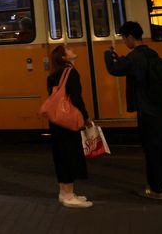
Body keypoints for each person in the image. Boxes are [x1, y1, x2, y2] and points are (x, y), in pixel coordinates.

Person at [105, 21, 162, 200]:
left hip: (147, 110)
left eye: (124, 38)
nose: (124, 41)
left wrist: (108, 54)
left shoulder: (135, 57)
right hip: (161, 108)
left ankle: (156, 189)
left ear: (130, 37)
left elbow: (114, 69)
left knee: (151, 150)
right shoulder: (151, 53)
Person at [47, 44, 93, 208]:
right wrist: (85, 117)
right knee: (70, 155)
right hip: (68, 121)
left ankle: (64, 192)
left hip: (56, 120)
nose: (73, 50)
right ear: (64, 57)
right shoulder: (71, 72)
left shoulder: (52, 75)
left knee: (60, 155)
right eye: (69, 50)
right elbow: (76, 98)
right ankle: (69, 196)